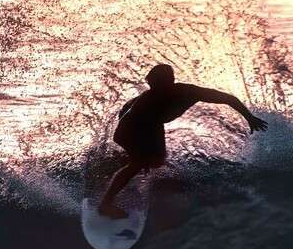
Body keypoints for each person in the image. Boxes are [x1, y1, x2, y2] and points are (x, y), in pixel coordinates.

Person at [97, 62, 266, 218]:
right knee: (140, 162)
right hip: (134, 123)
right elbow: (120, 135)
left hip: (152, 122)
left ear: (170, 82)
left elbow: (227, 98)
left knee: (156, 161)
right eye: (151, 86)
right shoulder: (146, 102)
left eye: (156, 86)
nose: (152, 89)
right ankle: (106, 204)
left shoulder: (189, 92)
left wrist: (249, 117)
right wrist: (138, 155)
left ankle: (121, 162)